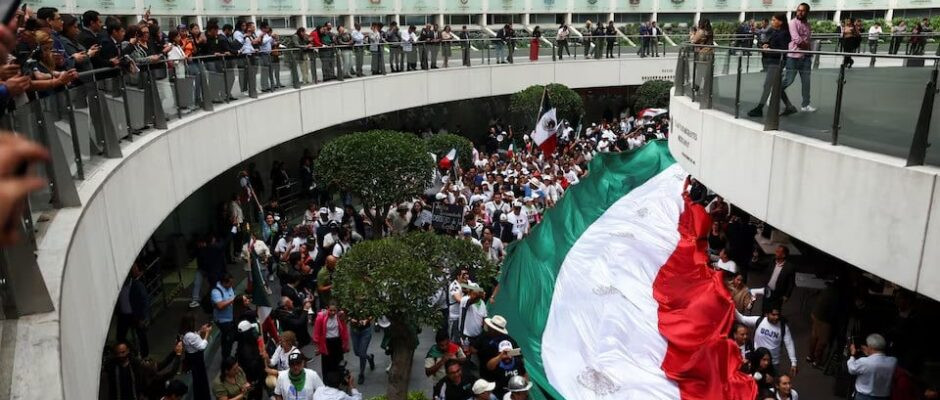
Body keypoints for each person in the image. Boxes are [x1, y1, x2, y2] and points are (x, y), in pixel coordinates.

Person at [747, 13, 793, 118]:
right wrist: (768, 46)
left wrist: (769, 50)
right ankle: (789, 106)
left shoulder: (783, 34)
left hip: (777, 62)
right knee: (776, 86)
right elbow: (776, 46)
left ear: (780, 22)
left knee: (768, 85)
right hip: (774, 62)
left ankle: (759, 108)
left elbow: (782, 50)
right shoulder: (777, 32)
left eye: (774, 20)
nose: (771, 22)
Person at [735, 304, 797, 375]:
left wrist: (793, 362)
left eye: (778, 315)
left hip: (773, 363)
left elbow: (789, 344)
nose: (776, 317)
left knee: (770, 383)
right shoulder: (759, 320)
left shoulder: (783, 327)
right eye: (773, 315)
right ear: (766, 314)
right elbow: (742, 319)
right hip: (757, 361)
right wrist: (730, 303)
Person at [781, 2, 816, 115]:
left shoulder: (808, 25)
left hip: (805, 58)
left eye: (803, 10)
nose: (800, 12)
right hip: (793, 57)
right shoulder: (792, 23)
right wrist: (808, 48)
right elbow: (797, 40)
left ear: (807, 12)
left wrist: (809, 51)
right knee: (789, 80)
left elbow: (808, 40)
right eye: (798, 10)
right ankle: (774, 93)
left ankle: (805, 105)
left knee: (806, 82)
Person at [847, 333, 897, 400]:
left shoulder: (864, 362)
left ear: (870, 347)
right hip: (883, 397)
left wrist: (852, 355)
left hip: (863, 396)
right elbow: (877, 359)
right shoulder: (893, 361)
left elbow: (851, 369)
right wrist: (869, 353)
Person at [116, 262, 151, 358]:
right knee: (120, 336)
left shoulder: (137, 286)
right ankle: (132, 351)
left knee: (141, 335)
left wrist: (144, 318)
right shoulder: (119, 288)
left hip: (135, 315)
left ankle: (145, 355)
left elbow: (145, 301)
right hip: (124, 315)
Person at [180, 313, 212, 400]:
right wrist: (207, 334)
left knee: (199, 380)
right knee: (200, 381)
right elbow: (201, 346)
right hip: (196, 359)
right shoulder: (189, 335)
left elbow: (195, 338)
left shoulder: (186, 333)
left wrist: (201, 331)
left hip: (194, 359)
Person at [313, 302, 350, 376]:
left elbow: (344, 331)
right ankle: (328, 383)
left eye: (334, 310)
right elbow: (316, 332)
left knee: (339, 362)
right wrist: (317, 347)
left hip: (337, 342)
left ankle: (340, 380)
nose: (333, 312)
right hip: (326, 343)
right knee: (327, 364)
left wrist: (346, 344)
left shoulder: (340, 316)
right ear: (327, 309)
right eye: (331, 310)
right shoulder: (320, 317)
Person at [213, 273, 240, 360]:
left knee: (233, 336)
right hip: (223, 320)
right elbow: (220, 305)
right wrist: (232, 300)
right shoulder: (216, 291)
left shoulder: (229, 287)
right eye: (230, 283)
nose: (231, 285)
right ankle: (226, 358)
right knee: (228, 338)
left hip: (231, 318)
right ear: (224, 283)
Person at [762, 245, 795, 312]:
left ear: (783, 255)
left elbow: (791, 283)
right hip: (767, 290)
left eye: (777, 252)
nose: (775, 253)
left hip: (778, 294)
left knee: (774, 311)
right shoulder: (772, 261)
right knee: (764, 308)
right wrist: (755, 258)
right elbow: (760, 263)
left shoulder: (789, 267)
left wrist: (787, 295)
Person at [348, 312, 375, 384]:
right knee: (357, 352)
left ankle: (361, 374)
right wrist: (351, 319)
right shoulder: (350, 302)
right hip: (354, 330)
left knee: (362, 353)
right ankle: (369, 357)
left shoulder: (368, 302)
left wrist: (367, 320)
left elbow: (373, 313)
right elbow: (346, 314)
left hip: (365, 331)